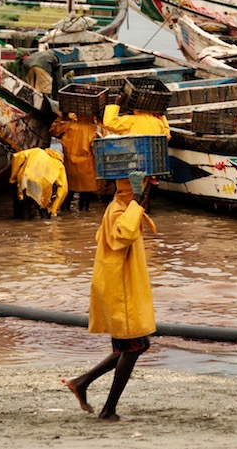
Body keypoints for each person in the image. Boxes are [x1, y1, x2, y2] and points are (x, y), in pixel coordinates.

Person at [63, 171, 157, 422]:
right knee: (135, 346)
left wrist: (136, 200)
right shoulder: (119, 210)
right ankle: (108, 411)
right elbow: (124, 235)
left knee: (135, 346)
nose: (145, 190)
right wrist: (137, 197)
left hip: (121, 289)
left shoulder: (121, 207)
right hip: (121, 293)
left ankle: (81, 383)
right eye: (142, 186)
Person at [50, 112, 101, 211]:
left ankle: (65, 217)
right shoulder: (93, 130)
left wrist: (61, 117)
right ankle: (83, 216)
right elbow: (96, 150)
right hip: (87, 167)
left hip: (69, 164)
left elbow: (53, 131)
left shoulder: (68, 125)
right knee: (85, 199)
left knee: (67, 192)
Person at [10, 146, 68, 219]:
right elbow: (63, 189)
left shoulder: (36, 151)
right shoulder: (60, 165)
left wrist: (13, 177)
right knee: (43, 211)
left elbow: (17, 156)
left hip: (26, 180)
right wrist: (54, 209)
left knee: (26, 206)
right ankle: (43, 225)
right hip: (43, 187)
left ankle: (25, 224)